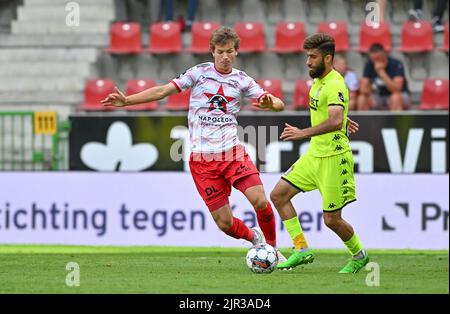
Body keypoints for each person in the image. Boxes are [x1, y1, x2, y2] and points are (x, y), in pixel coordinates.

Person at [101, 26, 286, 259]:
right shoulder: (199, 73)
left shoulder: (242, 80)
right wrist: (127, 101)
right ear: (212, 51)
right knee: (225, 223)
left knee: (259, 199)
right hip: (202, 159)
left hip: (231, 153)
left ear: (237, 52)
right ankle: (254, 238)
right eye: (220, 51)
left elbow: (277, 102)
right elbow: (163, 91)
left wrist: (272, 104)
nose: (225, 56)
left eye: (230, 51)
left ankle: (272, 249)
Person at [269, 33, 369, 273]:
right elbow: (334, 114)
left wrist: (304, 132)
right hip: (315, 155)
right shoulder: (318, 82)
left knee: (331, 220)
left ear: (327, 58)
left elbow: (334, 120)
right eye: (307, 56)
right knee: (279, 195)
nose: (308, 62)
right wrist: (344, 118)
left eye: (312, 57)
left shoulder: (334, 82)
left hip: (334, 158)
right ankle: (302, 249)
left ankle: (359, 256)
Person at [357, 43, 410, 111]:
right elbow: (363, 90)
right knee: (362, 98)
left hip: (400, 95)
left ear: (384, 55)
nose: (376, 61)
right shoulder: (369, 65)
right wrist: (368, 88)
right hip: (378, 96)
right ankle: (363, 121)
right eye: (373, 59)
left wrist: (382, 73)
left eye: (378, 58)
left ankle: (394, 121)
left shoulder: (396, 64)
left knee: (395, 97)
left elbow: (396, 89)